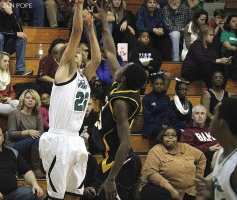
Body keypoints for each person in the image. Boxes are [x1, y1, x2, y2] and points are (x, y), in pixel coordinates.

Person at [38, 0, 101, 198]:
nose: (76, 55)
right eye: (71, 53)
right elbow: (75, 33)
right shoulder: (63, 73)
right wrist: (79, 6)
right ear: (62, 59)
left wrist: (91, 30)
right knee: (56, 195)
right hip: (58, 137)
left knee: (75, 193)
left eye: (79, 53)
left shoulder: (84, 75)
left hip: (75, 139)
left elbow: (97, 59)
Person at [91, 3, 146, 199]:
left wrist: (112, 179)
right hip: (112, 158)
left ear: (124, 77)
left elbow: (126, 143)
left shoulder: (122, 102)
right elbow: (111, 51)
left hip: (121, 161)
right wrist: (104, 21)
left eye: (126, 66)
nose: (121, 65)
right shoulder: (120, 82)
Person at [139, 127, 206, 200]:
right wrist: (172, 190)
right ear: (161, 138)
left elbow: (201, 157)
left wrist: (198, 177)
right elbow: (151, 174)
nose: (170, 137)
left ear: (177, 138)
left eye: (173, 135)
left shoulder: (186, 147)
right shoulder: (155, 151)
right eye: (167, 135)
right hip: (165, 189)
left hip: (189, 191)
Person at [195, 97, 237, 200]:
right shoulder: (220, 153)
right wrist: (212, 194)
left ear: (221, 122)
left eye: (215, 114)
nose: (211, 118)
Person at [6, 89, 45, 178]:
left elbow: (41, 133)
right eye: (28, 98)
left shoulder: (37, 115)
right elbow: (11, 134)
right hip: (14, 144)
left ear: (36, 102)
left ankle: (34, 168)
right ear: (23, 100)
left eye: (33, 98)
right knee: (36, 139)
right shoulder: (15, 112)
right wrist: (28, 132)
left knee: (41, 139)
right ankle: (36, 169)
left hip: (32, 143)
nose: (30, 100)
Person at [180, 104, 220, 176]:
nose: (200, 116)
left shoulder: (211, 129)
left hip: (218, 154)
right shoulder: (188, 132)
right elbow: (186, 150)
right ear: (192, 116)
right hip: (203, 157)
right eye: (197, 113)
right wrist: (208, 149)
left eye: (202, 113)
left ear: (205, 117)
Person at [141, 72, 174, 140]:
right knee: (162, 132)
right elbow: (148, 116)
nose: (159, 86)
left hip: (165, 125)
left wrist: (165, 123)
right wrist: (160, 124)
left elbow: (168, 113)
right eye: (156, 84)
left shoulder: (166, 98)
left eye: (161, 84)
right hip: (151, 125)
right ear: (152, 85)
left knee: (177, 132)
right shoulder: (147, 98)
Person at [220, 14, 237, 79]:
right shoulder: (225, 33)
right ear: (228, 24)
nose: (236, 23)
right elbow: (228, 47)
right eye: (233, 21)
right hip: (228, 57)